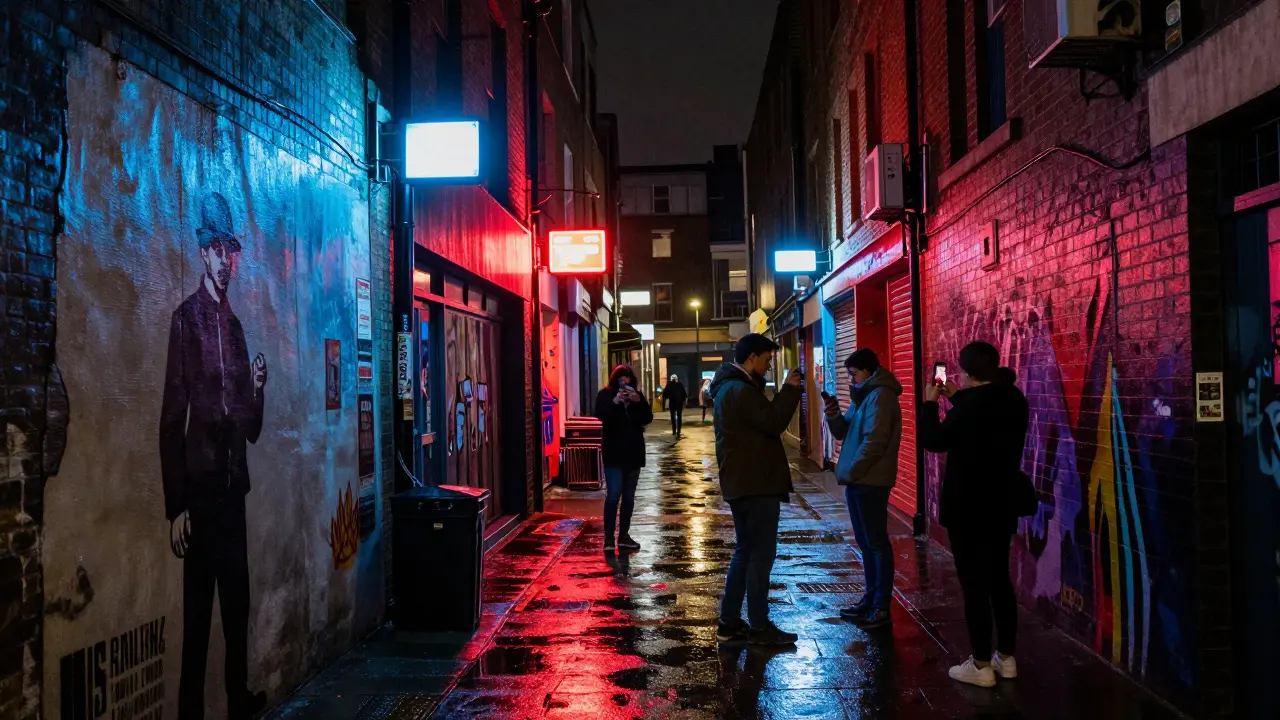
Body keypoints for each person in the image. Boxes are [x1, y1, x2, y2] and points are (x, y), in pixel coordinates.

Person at [159, 192, 269, 719]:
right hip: (201, 497)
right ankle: (189, 712)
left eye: (233, 250)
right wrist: (176, 504)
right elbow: (170, 419)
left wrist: (259, 388)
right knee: (198, 613)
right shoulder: (186, 321)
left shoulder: (237, 328)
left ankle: (238, 699)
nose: (227, 261)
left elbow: (250, 428)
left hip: (233, 494)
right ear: (202, 254)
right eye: (218, 250)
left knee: (237, 605)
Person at [920, 342, 1030, 688]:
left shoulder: (968, 410)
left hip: (968, 507)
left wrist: (929, 403)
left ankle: (980, 664)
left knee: (975, 585)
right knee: (999, 579)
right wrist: (958, 397)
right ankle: (1006, 659)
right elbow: (984, 421)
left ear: (966, 372)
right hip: (1002, 503)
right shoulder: (1014, 399)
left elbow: (936, 439)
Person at [709, 333, 804, 646]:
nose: (768, 364)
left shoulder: (731, 388)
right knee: (759, 555)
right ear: (751, 357)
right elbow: (774, 421)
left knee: (746, 553)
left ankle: (729, 623)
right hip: (754, 484)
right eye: (766, 358)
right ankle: (759, 626)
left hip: (744, 482)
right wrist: (790, 390)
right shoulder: (740, 390)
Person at [823, 349, 902, 629]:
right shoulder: (865, 395)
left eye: (853, 373)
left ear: (868, 371)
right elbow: (844, 432)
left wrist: (853, 470)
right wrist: (833, 413)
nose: (850, 378)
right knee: (867, 543)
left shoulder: (880, 396)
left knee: (876, 543)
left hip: (870, 480)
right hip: (860, 480)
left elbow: (875, 442)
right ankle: (870, 600)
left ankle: (880, 606)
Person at [595, 365, 653, 552]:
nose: (625, 384)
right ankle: (609, 537)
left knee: (629, 497)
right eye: (621, 380)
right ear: (615, 380)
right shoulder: (605, 395)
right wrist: (615, 401)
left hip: (633, 453)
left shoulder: (638, 396)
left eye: (628, 381)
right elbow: (601, 415)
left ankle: (624, 536)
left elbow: (647, 418)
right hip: (613, 453)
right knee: (613, 495)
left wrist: (639, 402)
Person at [664, 373, 689, 438]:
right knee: (679, 417)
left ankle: (674, 431)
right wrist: (684, 401)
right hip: (679, 403)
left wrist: (669, 397)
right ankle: (678, 431)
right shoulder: (680, 384)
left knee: (673, 417)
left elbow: (665, 394)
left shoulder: (669, 385)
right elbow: (684, 394)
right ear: (676, 379)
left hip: (672, 403)